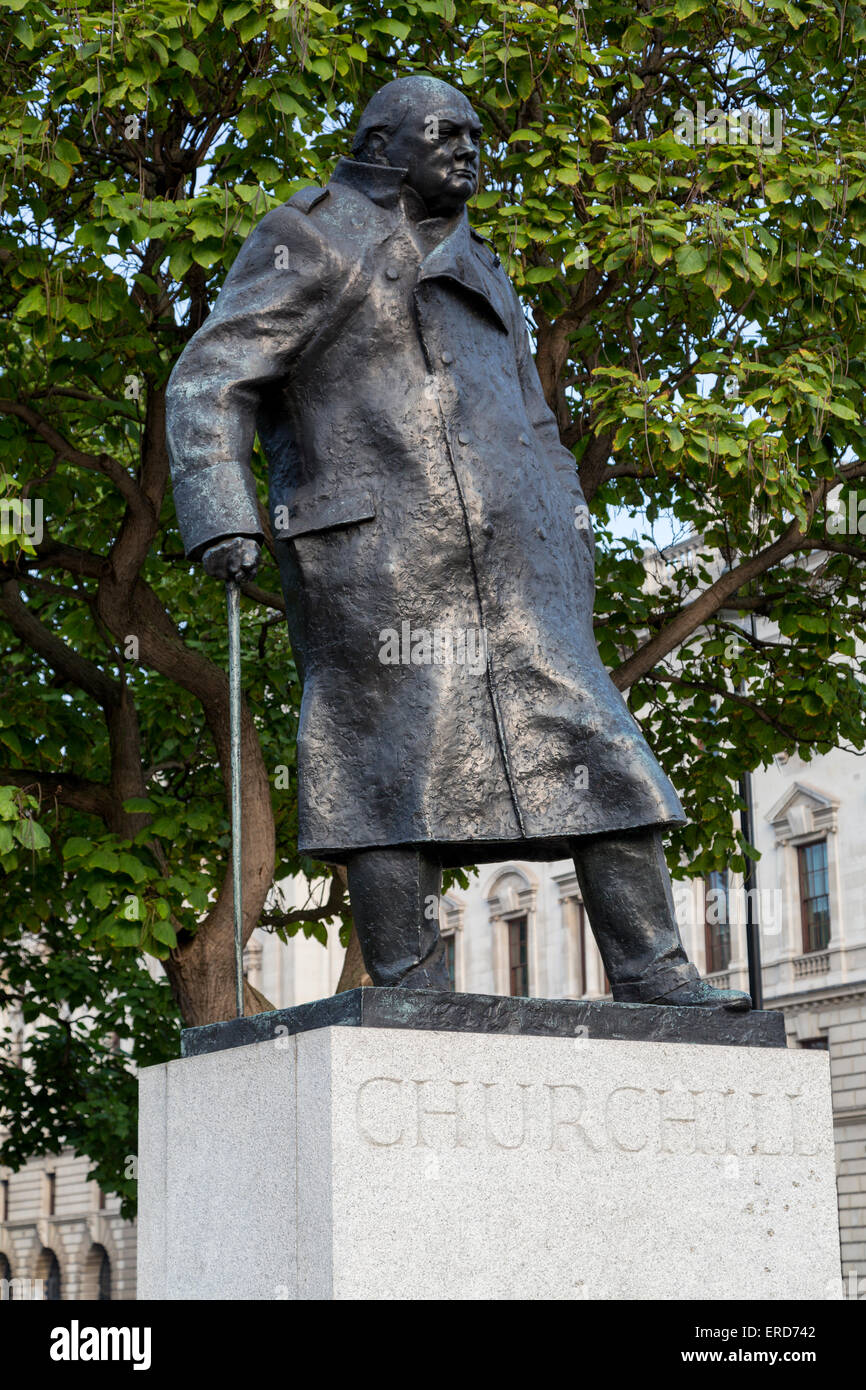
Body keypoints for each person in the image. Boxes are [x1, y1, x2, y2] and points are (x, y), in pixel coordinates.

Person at [166, 75, 750, 1010]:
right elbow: (208, 382)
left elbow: (535, 419)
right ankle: (408, 981)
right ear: (384, 144)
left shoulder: (483, 262)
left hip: (521, 571)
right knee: (383, 763)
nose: (470, 149)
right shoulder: (305, 236)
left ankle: (652, 968)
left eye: (478, 133)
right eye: (448, 132)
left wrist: (569, 529)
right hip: (376, 561)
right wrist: (223, 514)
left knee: (601, 753)